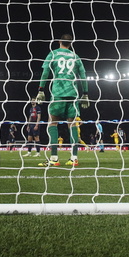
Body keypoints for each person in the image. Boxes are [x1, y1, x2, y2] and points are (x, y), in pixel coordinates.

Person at [36, 33, 89, 167]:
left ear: (59, 41)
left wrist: (41, 90)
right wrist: (86, 94)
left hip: (58, 95)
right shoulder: (76, 57)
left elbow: (45, 72)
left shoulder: (53, 54)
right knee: (72, 125)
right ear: (71, 43)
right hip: (73, 94)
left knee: (52, 124)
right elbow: (83, 75)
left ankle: (54, 158)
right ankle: (74, 158)